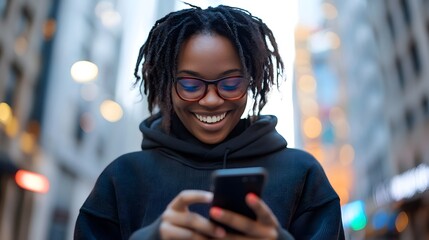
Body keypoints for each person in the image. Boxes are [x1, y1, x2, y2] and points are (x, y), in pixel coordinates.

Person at [74, 4, 345, 240]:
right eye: (191, 85)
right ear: (167, 85)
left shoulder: (302, 174)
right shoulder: (122, 178)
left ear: (251, 82)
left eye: (230, 83)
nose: (212, 100)